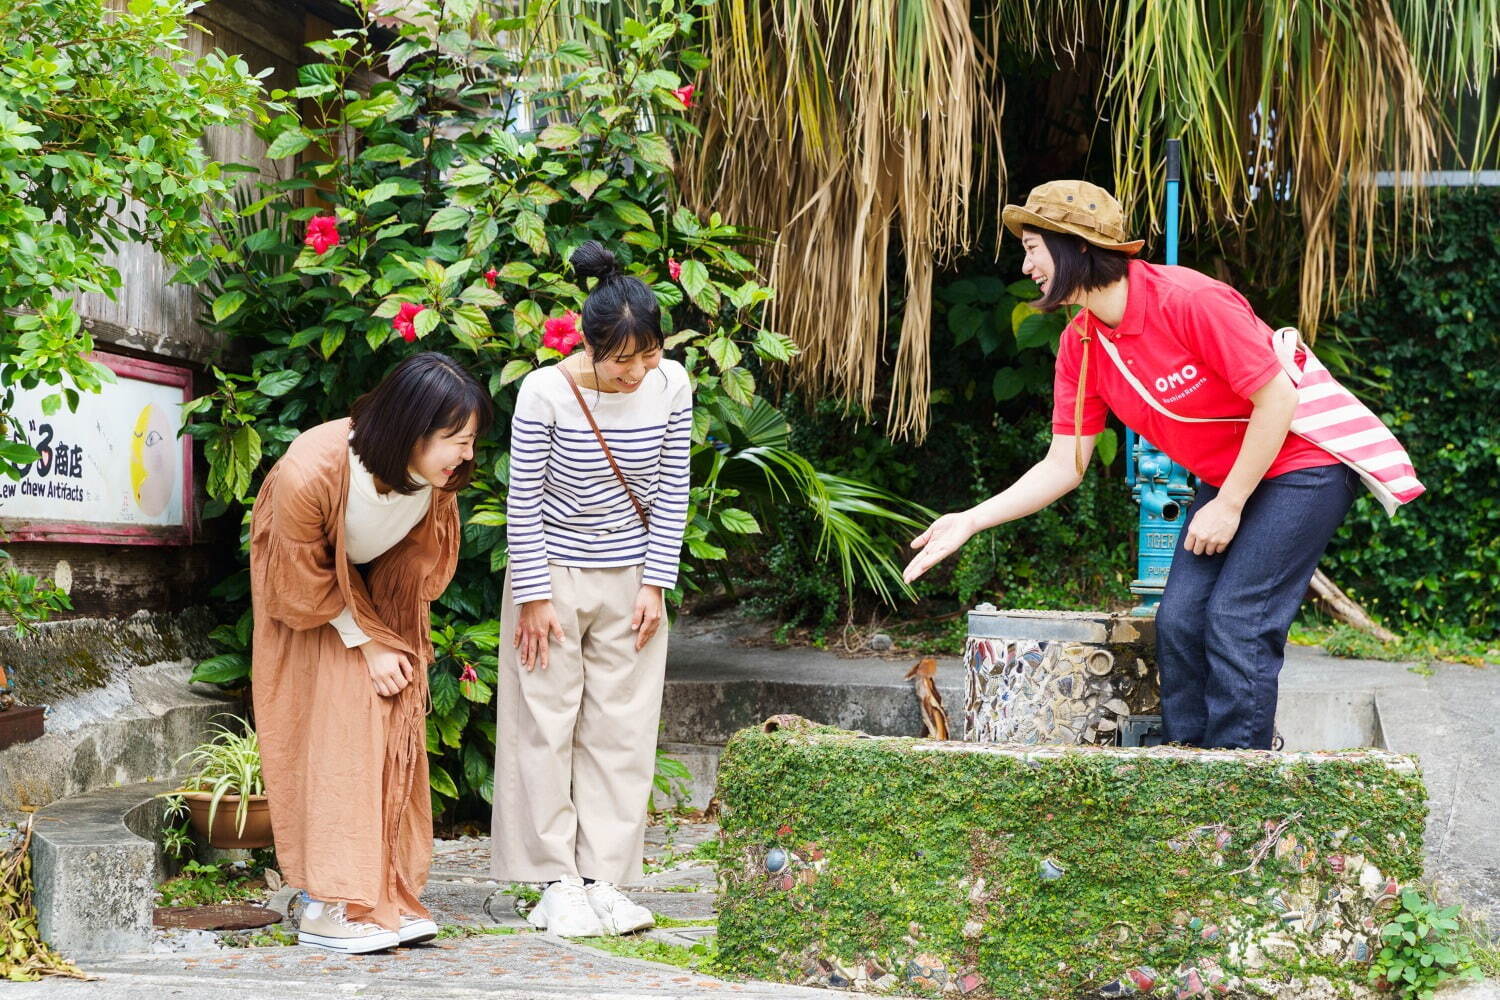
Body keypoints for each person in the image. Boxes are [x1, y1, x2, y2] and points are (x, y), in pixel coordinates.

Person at [903, 179, 1387, 751]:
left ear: (1076, 245)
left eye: (1033, 247)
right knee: (1180, 620)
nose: (1026, 263)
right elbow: (1065, 464)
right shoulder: (1080, 345)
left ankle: (1240, 781)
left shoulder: (1186, 299)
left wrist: (1229, 504)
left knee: (1237, 620)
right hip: (1231, 477)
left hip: (1303, 467)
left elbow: (1277, 398)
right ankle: (1183, 768)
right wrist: (971, 519)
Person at [250, 352, 492, 953]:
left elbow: (415, 564)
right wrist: (367, 644)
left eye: (471, 440)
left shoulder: (439, 480)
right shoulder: (312, 470)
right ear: (409, 429)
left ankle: (381, 892)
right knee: (343, 715)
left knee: (397, 711)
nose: (466, 455)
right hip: (304, 590)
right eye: (455, 440)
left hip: (368, 585)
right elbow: (299, 581)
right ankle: (327, 905)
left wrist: (394, 641)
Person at [492, 241, 692, 937]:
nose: (638, 372)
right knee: (543, 725)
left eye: (650, 354)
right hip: (550, 576)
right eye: (623, 360)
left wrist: (656, 583)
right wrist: (536, 596)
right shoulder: (545, 392)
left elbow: (672, 490)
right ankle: (554, 881)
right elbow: (526, 499)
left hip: (633, 578)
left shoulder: (673, 386)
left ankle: (605, 878)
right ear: (590, 345)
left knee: (622, 729)